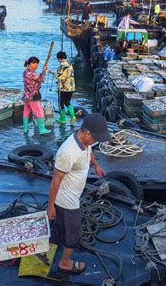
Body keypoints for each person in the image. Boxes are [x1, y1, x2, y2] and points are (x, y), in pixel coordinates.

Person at [48, 113, 110, 275]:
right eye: (96, 138)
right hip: (66, 200)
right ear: (88, 132)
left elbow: (88, 151)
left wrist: (95, 165)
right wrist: (51, 206)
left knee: (60, 226)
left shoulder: (84, 140)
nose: (96, 141)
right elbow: (55, 180)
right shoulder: (67, 152)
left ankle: (49, 248)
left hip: (73, 195)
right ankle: (65, 262)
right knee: (74, 232)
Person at [22, 56, 51, 134]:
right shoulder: (32, 73)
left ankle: (25, 129)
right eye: (36, 64)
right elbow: (42, 79)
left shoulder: (25, 72)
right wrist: (44, 71)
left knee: (26, 112)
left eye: (37, 64)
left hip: (26, 96)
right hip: (33, 96)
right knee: (40, 112)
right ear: (31, 63)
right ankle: (42, 129)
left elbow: (37, 80)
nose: (37, 66)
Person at [49, 51, 76, 124]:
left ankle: (62, 118)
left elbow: (59, 77)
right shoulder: (70, 64)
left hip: (63, 88)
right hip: (71, 87)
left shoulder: (61, 66)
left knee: (60, 103)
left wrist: (53, 73)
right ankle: (73, 116)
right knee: (67, 102)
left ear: (59, 58)